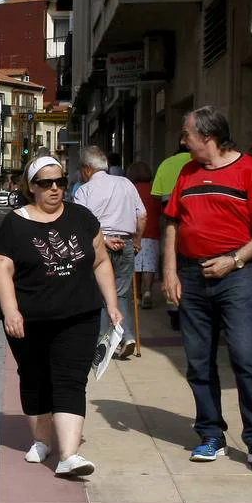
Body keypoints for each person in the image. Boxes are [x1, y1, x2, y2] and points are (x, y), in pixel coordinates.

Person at [162, 106, 252, 469]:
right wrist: (170, 272)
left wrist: (235, 259)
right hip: (191, 275)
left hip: (236, 276)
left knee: (246, 356)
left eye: (187, 134)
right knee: (199, 361)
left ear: (208, 137)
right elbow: (171, 223)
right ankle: (211, 434)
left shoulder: (251, 171)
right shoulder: (187, 172)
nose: (183, 140)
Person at [0, 155, 124, 478]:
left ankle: (69, 455)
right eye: (45, 183)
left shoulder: (82, 218)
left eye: (60, 182)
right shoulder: (14, 224)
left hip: (79, 315)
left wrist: (112, 303)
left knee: (70, 379)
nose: (54, 189)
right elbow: (1, 269)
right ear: (31, 188)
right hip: (29, 320)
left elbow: (101, 261)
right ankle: (41, 439)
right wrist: (11, 311)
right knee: (35, 378)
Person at [74, 145, 147, 358]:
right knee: (121, 293)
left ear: (87, 169)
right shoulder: (126, 183)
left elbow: (81, 224)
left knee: (99, 293)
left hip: (100, 245)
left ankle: (103, 343)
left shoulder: (84, 190)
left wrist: (104, 239)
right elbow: (142, 215)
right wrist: (137, 240)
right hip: (125, 244)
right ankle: (127, 336)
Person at [151, 142, 192, 330]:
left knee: (170, 261)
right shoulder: (197, 163)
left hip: (168, 217)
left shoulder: (166, 164)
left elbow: (156, 195)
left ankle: (173, 306)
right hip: (192, 219)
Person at [127, 161, 162, 309]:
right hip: (152, 231)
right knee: (149, 265)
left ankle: (137, 296)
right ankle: (148, 291)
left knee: (135, 266)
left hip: (135, 233)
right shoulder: (155, 189)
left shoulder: (131, 190)